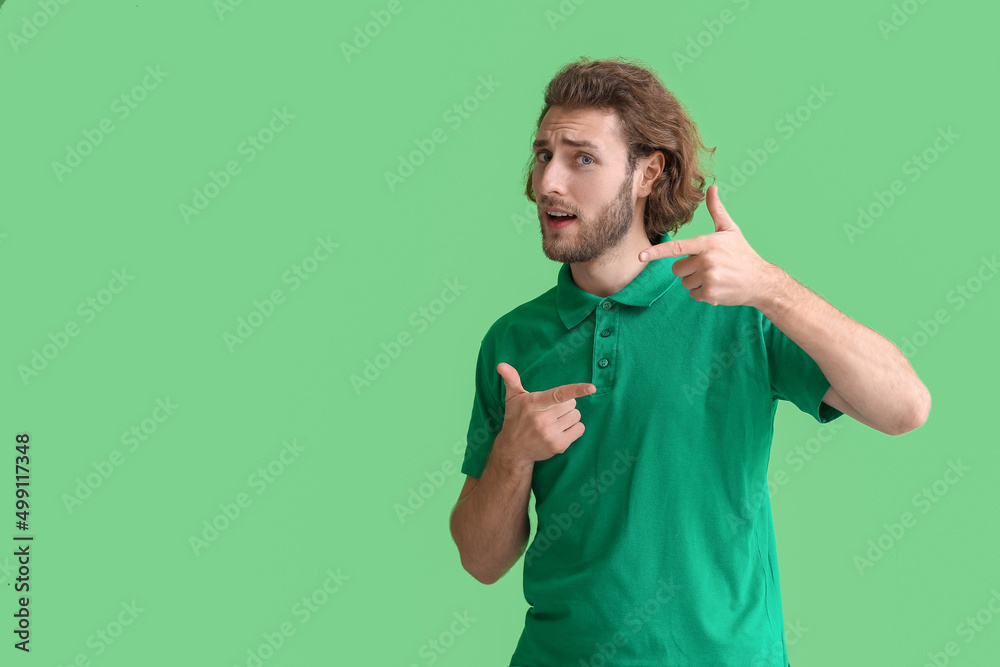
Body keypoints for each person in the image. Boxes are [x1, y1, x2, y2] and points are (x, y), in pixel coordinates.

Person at [448, 56, 930, 666]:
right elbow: (480, 560)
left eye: (582, 158)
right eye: (544, 154)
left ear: (648, 173)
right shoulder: (512, 341)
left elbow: (905, 407)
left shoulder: (739, 307)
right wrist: (512, 455)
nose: (549, 182)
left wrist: (771, 288)